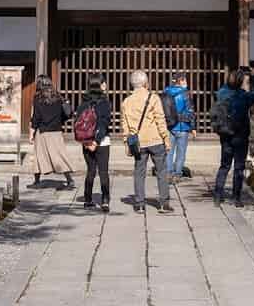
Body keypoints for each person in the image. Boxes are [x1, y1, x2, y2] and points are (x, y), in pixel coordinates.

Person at [120, 69, 173, 214]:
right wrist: (166, 138)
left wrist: (126, 142)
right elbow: (160, 120)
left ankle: (140, 204)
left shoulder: (126, 102)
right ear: (145, 83)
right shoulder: (153, 98)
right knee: (161, 171)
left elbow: (125, 124)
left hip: (138, 142)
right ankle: (164, 203)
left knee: (139, 172)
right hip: (155, 139)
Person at [212, 65, 254, 207]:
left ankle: (218, 195)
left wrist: (234, 76)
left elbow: (226, 87)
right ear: (241, 82)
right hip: (240, 135)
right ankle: (236, 197)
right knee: (239, 167)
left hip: (225, 133)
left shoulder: (221, 93)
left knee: (224, 165)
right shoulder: (244, 97)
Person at [74, 74, 113, 211]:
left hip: (86, 142)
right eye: (104, 83)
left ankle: (88, 199)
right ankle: (105, 200)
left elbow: (78, 124)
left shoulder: (83, 103)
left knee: (90, 171)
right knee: (103, 171)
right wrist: (96, 141)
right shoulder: (105, 103)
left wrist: (87, 142)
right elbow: (104, 123)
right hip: (102, 142)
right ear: (100, 85)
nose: (106, 85)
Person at [29, 74, 74, 190]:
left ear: (39, 84)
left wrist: (31, 133)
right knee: (59, 155)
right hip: (56, 131)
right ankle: (69, 180)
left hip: (43, 131)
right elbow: (64, 114)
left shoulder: (38, 98)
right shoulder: (58, 96)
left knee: (39, 156)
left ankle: (36, 181)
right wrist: (59, 122)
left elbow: (36, 117)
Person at [162, 71, 195, 182]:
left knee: (169, 151)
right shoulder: (185, 94)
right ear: (180, 81)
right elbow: (190, 111)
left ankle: (168, 173)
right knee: (181, 153)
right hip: (183, 126)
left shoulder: (166, 92)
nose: (186, 82)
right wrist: (193, 127)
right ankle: (177, 174)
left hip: (170, 126)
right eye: (185, 80)